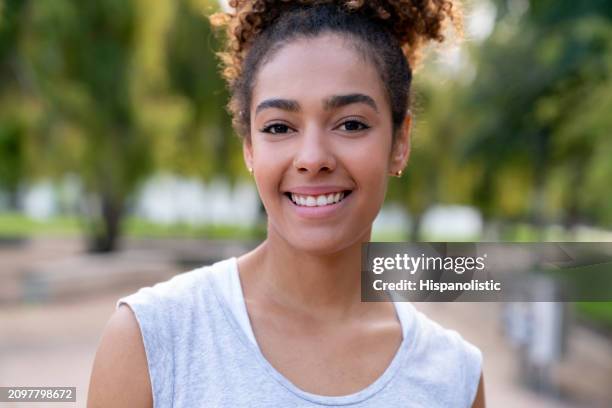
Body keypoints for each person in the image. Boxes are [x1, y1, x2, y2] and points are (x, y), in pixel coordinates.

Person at [88, 1, 486, 406]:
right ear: (249, 147)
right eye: (279, 127)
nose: (312, 158)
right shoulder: (151, 340)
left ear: (400, 143)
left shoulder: (455, 377)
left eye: (351, 124)